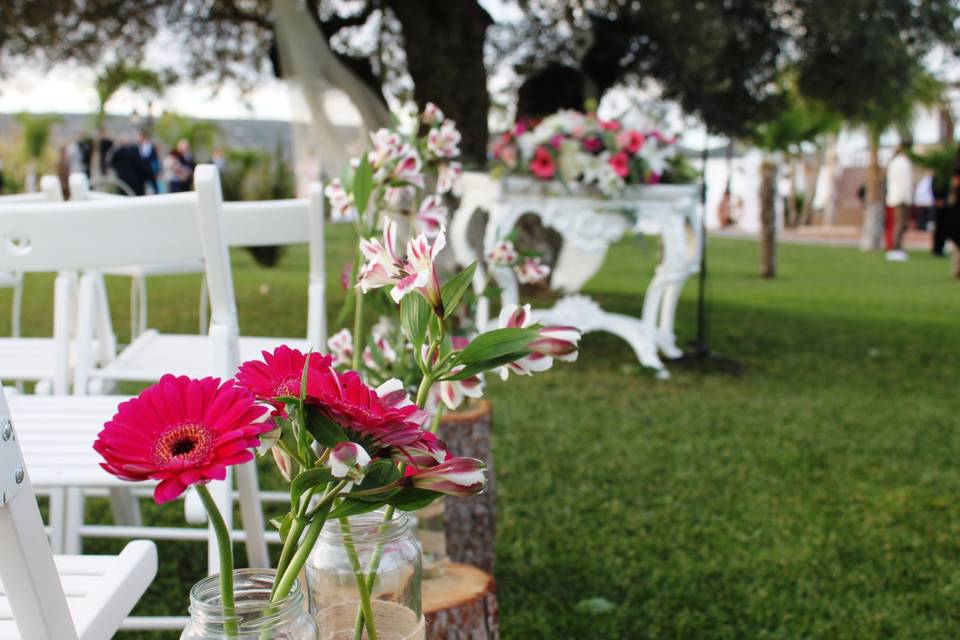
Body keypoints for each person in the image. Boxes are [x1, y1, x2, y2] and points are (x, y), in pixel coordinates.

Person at [885, 139, 913, 262]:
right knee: (899, 223)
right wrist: (904, 198)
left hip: (897, 197)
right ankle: (896, 248)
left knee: (900, 224)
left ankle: (898, 247)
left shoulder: (896, 162)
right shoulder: (902, 162)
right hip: (901, 198)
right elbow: (903, 183)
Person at [138, 129, 160, 194]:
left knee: (154, 186)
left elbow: (155, 159)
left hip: (150, 170)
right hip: (141, 170)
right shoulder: (138, 146)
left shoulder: (151, 147)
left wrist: (157, 170)